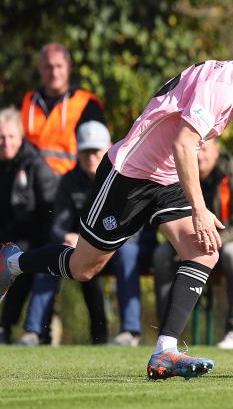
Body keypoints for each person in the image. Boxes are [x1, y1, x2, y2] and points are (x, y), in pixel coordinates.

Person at [1, 22, 233, 380]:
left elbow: (181, 142)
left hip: (163, 178)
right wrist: (200, 209)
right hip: (128, 176)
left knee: (204, 249)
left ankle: (165, 352)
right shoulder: (222, 88)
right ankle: (13, 262)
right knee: (84, 268)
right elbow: (182, 144)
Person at [18, 121, 143, 347]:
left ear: (109, 147)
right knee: (52, 255)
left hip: (116, 248)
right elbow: (58, 226)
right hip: (80, 251)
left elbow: (134, 227)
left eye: (96, 151)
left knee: (130, 252)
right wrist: (68, 237)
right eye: (85, 151)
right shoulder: (69, 181)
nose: (91, 157)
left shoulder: (126, 177)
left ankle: (130, 333)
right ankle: (33, 332)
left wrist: (100, 244)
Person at [153, 138, 233, 350]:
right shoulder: (180, 175)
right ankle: (165, 335)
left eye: (205, 149)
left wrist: (207, 242)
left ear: (216, 150)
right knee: (162, 254)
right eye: (196, 149)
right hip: (202, 243)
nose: (199, 156)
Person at [0, 107, 59, 344]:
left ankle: (24, 330)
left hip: (37, 240)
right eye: (1, 137)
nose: (5, 142)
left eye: (10, 136)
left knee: (18, 259)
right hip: (9, 239)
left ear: (20, 137)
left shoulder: (36, 165)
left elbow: (51, 211)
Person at [21, 43, 105, 175]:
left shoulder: (86, 103)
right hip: (31, 184)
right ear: (40, 69)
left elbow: (100, 150)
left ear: (69, 67)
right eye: (48, 67)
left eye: (59, 66)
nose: (54, 72)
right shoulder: (28, 101)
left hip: (70, 185)